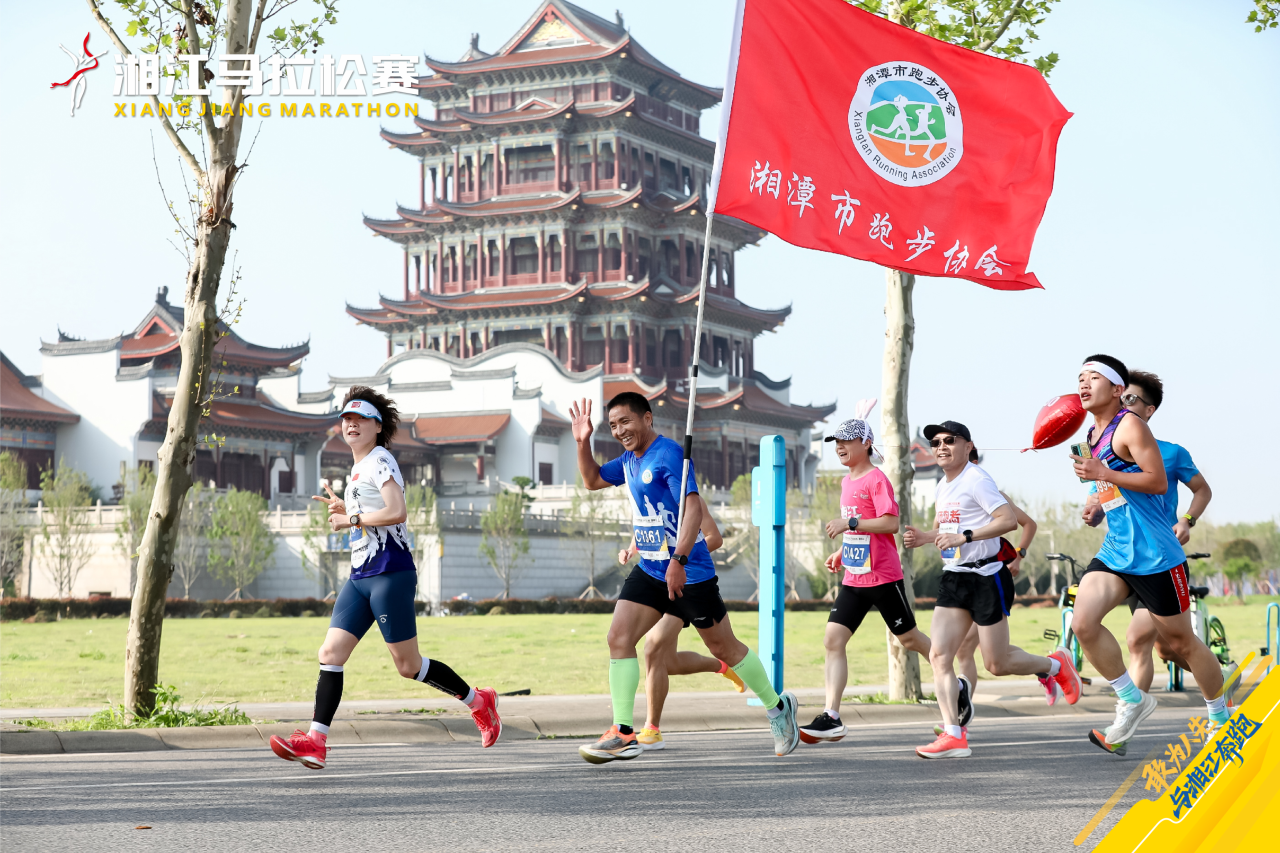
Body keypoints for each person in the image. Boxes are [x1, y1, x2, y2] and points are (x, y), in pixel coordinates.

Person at [269, 387, 501, 770]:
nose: (352, 424)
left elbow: (397, 511)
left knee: (408, 666)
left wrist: (351, 518)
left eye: (360, 419)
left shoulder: (381, 459)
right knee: (330, 654)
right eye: (346, 419)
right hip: (360, 575)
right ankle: (315, 741)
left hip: (390, 573)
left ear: (377, 426)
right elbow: (372, 513)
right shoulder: (358, 469)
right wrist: (347, 505)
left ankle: (480, 702)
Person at [569, 392, 800, 763]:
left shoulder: (670, 455)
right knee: (619, 637)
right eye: (612, 425)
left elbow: (692, 508)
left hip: (689, 572)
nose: (620, 430)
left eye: (626, 421)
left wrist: (679, 558)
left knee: (724, 648)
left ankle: (777, 708)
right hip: (651, 569)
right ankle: (623, 732)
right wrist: (583, 442)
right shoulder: (628, 461)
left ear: (647, 418)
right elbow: (592, 480)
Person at [1069, 355, 1227, 749]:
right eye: (1080, 378)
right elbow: (1107, 490)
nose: (1083, 384)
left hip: (1156, 554)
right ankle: (1131, 698)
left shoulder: (1131, 425)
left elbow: (1157, 482)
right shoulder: (1090, 436)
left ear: (1116, 389)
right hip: (1116, 550)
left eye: (1093, 377)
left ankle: (1220, 719)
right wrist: (1096, 506)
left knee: (1181, 643)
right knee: (1082, 623)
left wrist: (1187, 519)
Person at [905, 420, 1081, 759]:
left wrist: (966, 537)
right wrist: (926, 537)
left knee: (996, 664)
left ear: (968, 446)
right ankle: (954, 734)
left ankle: (1055, 665)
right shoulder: (943, 486)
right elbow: (947, 531)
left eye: (949, 440)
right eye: (936, 442)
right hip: (955, 577)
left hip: (987, 577)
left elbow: (1009, 521)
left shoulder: (978, 479)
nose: (941, 447)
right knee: (940, 655)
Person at [798, 400, 938, 745]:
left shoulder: (877, 479)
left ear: (866, 444)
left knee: (910, 640)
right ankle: (832, 716)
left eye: (846, 441)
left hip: (884, 577)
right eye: (836, 442)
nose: (839, 447)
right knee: (833, 639)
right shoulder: (847, 482)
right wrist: (842, 552)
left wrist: (849, 523)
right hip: (855, 578)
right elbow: (862, 532)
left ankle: (953, 682)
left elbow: (890, 523)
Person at [619, 495, 747, 751]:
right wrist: (632, 549)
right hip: (656, 582)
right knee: (669, 663)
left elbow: (715, 538)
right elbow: (651, 536)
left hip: (684, 584)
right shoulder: (649, 496)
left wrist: (679, 559)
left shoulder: (690, 499)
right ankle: (722, 666)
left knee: (652, 649)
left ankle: (652, 730)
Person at [935, 480, 1048, 739]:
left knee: (991, 658)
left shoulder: (992, 494)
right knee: (966, 650)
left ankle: (1047, 666)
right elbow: (939, 531)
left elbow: (1028, 523)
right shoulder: (947, 493)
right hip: (960, 578)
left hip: (988, 579)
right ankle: (959, 717)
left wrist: (1019, 555)